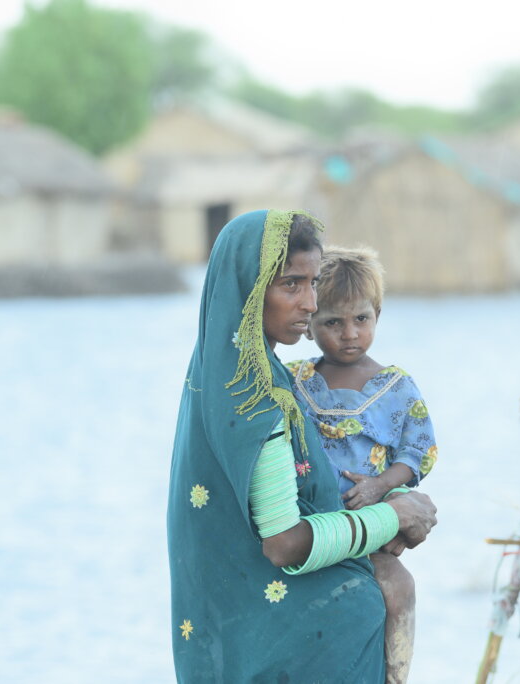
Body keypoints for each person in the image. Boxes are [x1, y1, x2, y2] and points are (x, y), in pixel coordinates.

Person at [167, 209, 438, 683]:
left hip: (257, 636)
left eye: (313, 284)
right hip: (303, 649)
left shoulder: (220, 372)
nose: (310, 304)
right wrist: (394, 516)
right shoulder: (259, 396)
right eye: (291, 284)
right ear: (248, 291)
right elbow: (285, 544)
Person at [286, 246, 438, 683]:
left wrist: (380, 485)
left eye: (361, 319)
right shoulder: (295, 381)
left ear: (377, 316)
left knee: (398, 586)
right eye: (332, 322)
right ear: (310, 325)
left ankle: (393, 674)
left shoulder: (395, 387)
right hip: (309, 523)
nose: (349, 333)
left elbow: (417, 451)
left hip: (369, 515)